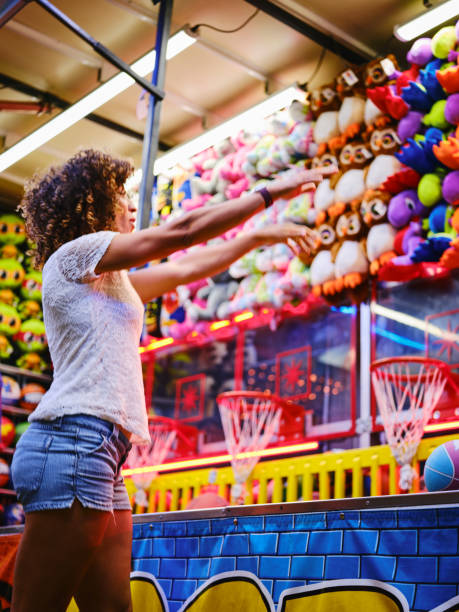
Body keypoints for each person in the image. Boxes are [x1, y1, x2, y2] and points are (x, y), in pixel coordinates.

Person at [10, 148, 336, 611]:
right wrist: (268, 193)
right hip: (70, 443)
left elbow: (186, 268)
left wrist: (258, 236)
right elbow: (180, 234)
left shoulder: (111, 281)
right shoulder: (72, 257)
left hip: (104, 451)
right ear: (90, 205)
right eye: (118, 194)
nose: (129, 204)